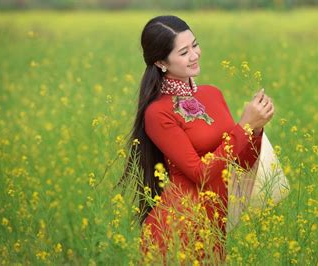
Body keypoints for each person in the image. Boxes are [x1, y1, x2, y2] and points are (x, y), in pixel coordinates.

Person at [118, 15, 275, 262]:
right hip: (178, 229)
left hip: (214, 227)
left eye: (195, 44)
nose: (195, 54)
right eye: (183, 52)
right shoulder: (158, 113)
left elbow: (240, 164)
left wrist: (255, 129)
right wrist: (244, 125)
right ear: (161, 61)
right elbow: (200, 173)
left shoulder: (213, 94)